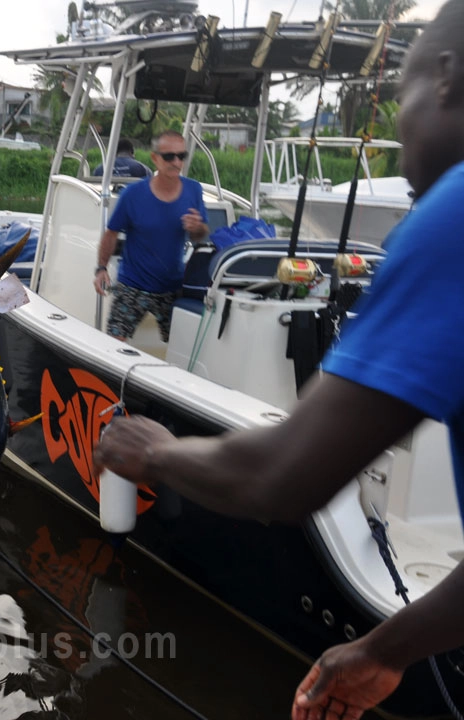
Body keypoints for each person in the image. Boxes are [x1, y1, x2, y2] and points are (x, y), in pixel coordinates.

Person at [93, 4, 464, 717]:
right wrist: (388, 648)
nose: (399, 126)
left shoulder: (451, 215)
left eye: (403, 93)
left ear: (445, 77)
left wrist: (159, 452)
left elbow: (283, 478)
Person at [93, 130, 208, 342]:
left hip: (172, 287)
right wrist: (101, 269)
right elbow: (111, 233)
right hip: (132, 286)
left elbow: (201, 235)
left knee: (182, 347)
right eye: (169, 156)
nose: (176, 162)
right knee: (111, 344)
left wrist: (196, 227)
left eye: (181, 156)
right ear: (155, 158)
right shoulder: (133, 194)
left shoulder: (194, 190)